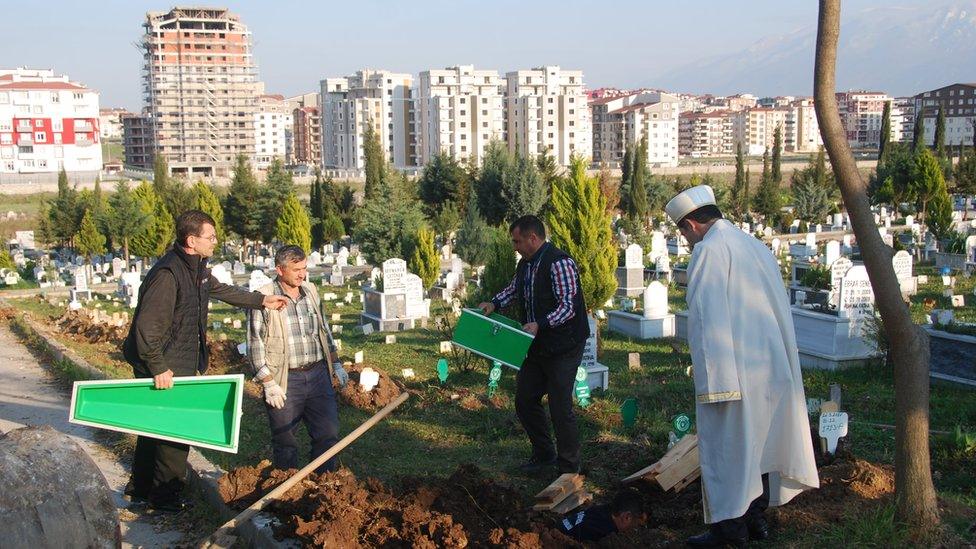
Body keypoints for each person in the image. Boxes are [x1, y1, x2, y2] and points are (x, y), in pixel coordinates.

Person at [663, 186, 819, 547]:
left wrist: (712, 382)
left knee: (729, 454)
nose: (685, 241)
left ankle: (729, 533)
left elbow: (706, 320)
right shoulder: (752, 245)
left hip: (732, 374)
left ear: (691, 225)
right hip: (770, 367)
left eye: (683, 233)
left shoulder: (709, 251)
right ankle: (756, 523)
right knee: (758, 451)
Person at [122, 210, 288, 512]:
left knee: (152, 426)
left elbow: (221, 290)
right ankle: (166, 499)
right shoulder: (168, 274)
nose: (215, 241)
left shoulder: (196, 269)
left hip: (180, 357)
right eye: (210, 237)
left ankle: (141, 490)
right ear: (191, 240)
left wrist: (261, 300)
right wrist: (158, 367)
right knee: (175, 431)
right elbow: (147, 328)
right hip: (167, 361)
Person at [478, 215, 589, 476]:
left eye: (517, 241)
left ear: (533, 238)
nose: (514, 246)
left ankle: (569, 469)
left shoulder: (559, 263)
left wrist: (541, 323)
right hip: (536, 344)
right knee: (525, 399)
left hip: (564, 345)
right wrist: (494, 303)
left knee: (560, 407)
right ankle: (544, 455)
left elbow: (568, 307)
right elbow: (515, 290)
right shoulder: (526, 265)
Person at [248, 245, 348, 474]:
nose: (302, 274)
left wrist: (337, 363)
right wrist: (268, 383)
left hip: (318, 374)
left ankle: (324, 484)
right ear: (280, 270)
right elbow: (255, 344)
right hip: (285, 379)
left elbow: (324, 330)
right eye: (296, 270)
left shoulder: (310, 291)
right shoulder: (264, 298)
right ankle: (286, 490)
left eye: (304, 268)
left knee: (328, 433)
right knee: (285, 439)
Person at [558, 488, 647, 542]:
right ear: (627, 517)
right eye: (636, 524)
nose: (634, 528)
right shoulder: (603, 534)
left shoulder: (603, 509)